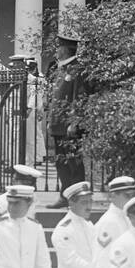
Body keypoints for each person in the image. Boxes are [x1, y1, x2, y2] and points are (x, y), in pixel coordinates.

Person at [47, 53, 82, 203]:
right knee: (61, 163)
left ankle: (76, 196)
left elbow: (78, 97)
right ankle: (65, 195)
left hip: (68, 127)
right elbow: (56, 97)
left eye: (59, 47)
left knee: (73, 162)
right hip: (58, 125)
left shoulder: (75, 69)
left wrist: (74, 122)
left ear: (66, 49)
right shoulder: (62, 69)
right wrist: (51, 120)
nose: (57, 51)